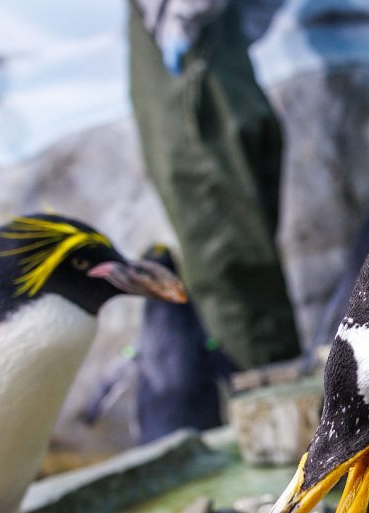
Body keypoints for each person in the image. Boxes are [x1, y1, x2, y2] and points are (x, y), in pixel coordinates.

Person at [126, 0, 299, 372]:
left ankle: (269, 395)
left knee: (226, 253)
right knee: (232, 246)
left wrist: (185, 18)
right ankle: (272, 389)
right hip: (200, 53)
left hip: (193, 58)